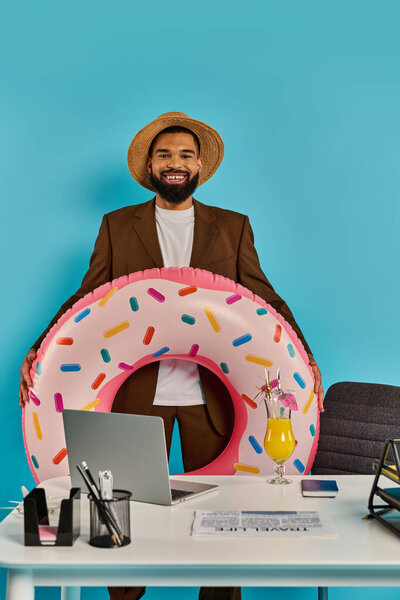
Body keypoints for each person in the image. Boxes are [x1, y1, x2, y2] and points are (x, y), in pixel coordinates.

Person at [19, 111, 324, 600]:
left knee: (224, 526)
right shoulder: (118, 226)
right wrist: (39, 348)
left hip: (215, 402)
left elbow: (267, 301)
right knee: (121, 524)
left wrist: (306, 358)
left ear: (199, 164)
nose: (175, 163)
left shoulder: (232, 227)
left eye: (185, 154)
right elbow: (87, 298)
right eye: (165, 155)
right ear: (151, 166)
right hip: (138, 397)